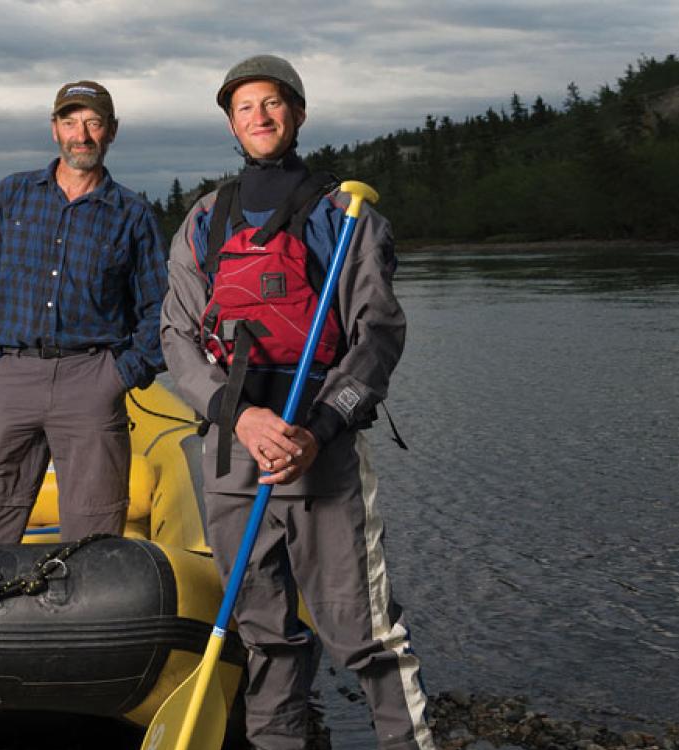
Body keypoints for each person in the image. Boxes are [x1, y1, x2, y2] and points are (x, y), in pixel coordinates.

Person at [159, 55, 437, 750]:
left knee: (364, 635)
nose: (259, 115)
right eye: (245, 106)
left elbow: (377, 336)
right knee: (264, 635)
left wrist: (317, 428)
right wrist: (241, 417)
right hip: (232, 452)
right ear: (230, 121)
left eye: (273, 103)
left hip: (321, 449)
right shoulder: (203, 220)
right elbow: (178, 338)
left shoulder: (345, 214)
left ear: (298, 114)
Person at [0, 80, 168, 545]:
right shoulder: (12, 195)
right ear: (54, 129)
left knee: (94, 537)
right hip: (13, 377)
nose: (81, 135)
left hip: (92, 379)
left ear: (111, 131)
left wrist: (119, 375)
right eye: (70, 122)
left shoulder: (132, 214)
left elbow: (159, 311)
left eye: (92, 123)